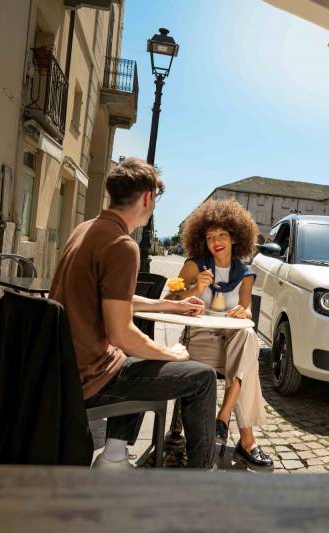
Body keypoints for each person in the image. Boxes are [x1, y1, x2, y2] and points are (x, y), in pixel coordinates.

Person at [49, 157, 217, 470]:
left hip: (64, 368)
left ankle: (113, 456)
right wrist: (172, 354)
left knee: (140, 359)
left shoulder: (86, 229)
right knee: (202, 378)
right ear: (148, 198)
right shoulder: (122, 246)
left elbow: (113, 299)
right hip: (90, 379)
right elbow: (121, 333)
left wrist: (170, 304)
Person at [171, 198, 273, 468]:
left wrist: (243, 312)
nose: (216, 241)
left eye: (222, 235)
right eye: (209, 236)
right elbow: (169, 298)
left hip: (231, 342)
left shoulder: (246, 274)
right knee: (248, 360)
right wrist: (194, 289)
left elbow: (247, 311)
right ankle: (247, 441)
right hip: (199, 340)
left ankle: (224, 416)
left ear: (235, 238)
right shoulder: (195, 265)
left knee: (247, 337)